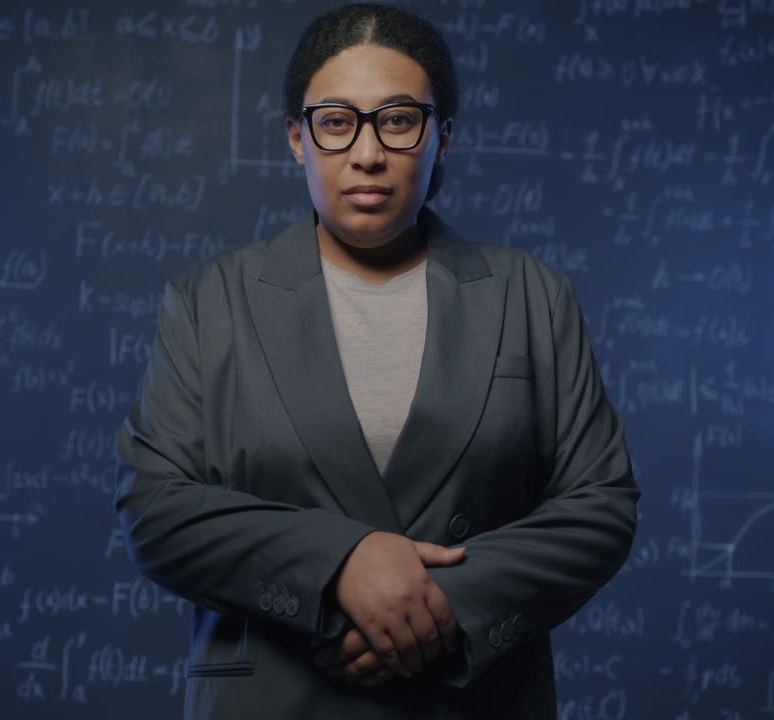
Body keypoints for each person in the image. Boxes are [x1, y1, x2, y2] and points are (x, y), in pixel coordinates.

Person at [113, 4, 640, 718]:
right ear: (297, 139)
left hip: (472, 697)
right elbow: (156, 510)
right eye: (336, 121)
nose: (367, 152)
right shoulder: (210, 302)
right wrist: (340, 565)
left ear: (441, 138)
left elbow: (599, 505)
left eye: (398, 120)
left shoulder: (531, 295)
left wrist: (438, 606)